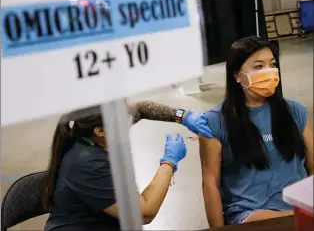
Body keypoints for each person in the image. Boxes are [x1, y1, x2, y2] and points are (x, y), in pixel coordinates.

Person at [199, 36, 313, 227]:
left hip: (298, 207)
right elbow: (210, 183)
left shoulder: (296, 111)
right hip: (250, 214)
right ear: (236, 75)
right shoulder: (214, 122)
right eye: (258, 67)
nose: (268, 72)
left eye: (272, 64)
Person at [44, 106, 187, 231]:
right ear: (100, 131)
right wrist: (169, 161)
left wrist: (183, 116)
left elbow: (141, 109)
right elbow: (144, 213)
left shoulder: (91, 135)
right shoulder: (88, 163)